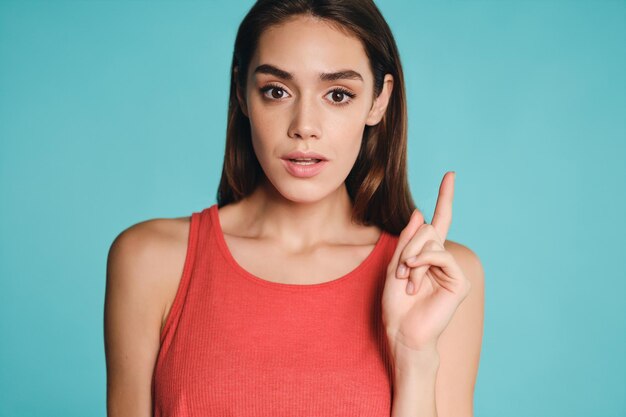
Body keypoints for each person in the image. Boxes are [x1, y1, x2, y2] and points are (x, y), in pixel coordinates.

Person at [104, 1, 484, 416]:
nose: (304, 125)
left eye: (338, 94)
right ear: (242, 93)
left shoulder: (438, 280)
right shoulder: (151, 260)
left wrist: (414, 356)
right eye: (277, 91)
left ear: (378, 100)